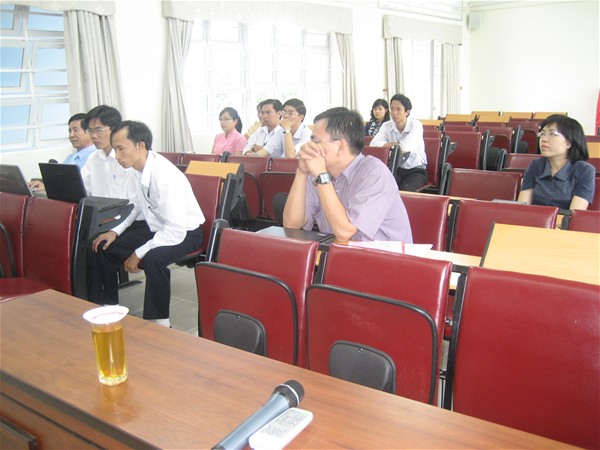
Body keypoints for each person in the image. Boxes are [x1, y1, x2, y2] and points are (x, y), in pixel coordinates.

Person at [89, 121, 204, 328]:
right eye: (115, 149)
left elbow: (175, 230)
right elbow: (135, 206)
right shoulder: (137, 169)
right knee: (104, 246)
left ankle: (159, 322)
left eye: (121, 149)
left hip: (186, 232)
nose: (117, 155)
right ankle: (109, 307)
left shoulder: (165, 176)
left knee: (153, 259)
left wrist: (139, 252)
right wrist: (115, 231)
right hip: (157, 228)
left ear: (140, 145)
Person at [283, 107, 412, 243]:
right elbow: (291, 225)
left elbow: (345, 232)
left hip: (385, 255)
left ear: (341, 146)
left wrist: (322, 176)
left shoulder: (374, 173)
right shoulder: (318, 173)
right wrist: (302, 173)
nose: (309, 146)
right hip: (341, 252)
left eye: (316, 141)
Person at [518, 114, 595, 210]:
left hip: (564, 220)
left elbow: (574, 214)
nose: (544, 139)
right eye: (542, 134)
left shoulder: (584, 171)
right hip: (534, 218)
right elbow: (522, 208)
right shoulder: (536, 165)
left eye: (552, 134)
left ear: (569, 142)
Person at [371, 94, 427, 191]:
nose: (394, 113)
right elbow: (374, 144)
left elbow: (405, 148)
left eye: (398, 109)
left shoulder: (416, 125)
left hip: (416, 170)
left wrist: (387, 145)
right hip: (396, 168)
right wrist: (397, 144)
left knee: (404, 191)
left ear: (407, 112)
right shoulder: (386, 125)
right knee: (380, 187)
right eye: (392, 109)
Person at [28, 113, 96, 192]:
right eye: (70, 131)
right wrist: (45, 185)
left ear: (89, 131)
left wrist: (50, 187)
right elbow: (60, 181)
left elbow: (81, 186)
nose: (71, 135)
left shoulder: (95, 157)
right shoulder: (70, 158)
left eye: (75, 130)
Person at [81, 105, 130, 198]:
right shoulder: (93, 158)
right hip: (97, 206)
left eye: (99, 130)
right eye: (90, 130)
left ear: (115, 129)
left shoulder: (127, 158)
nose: (93, 136)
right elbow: (83, 189)